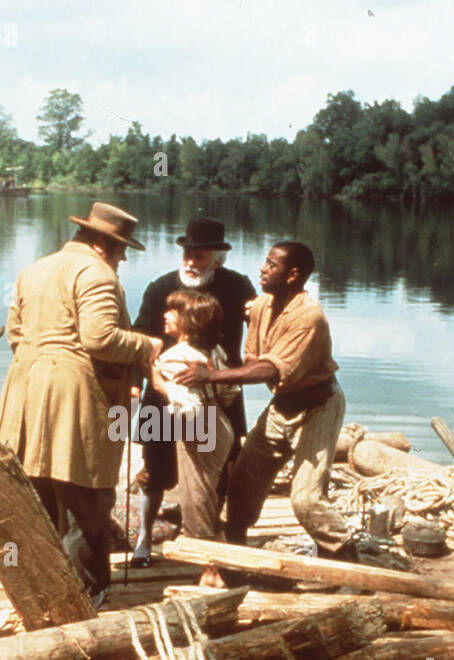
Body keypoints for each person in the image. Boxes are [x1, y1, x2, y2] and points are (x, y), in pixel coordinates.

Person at [0, 202, 162, 605]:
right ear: (104, 244)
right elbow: (100, 338)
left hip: (25, 393)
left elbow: (16, 335)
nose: (122, 261)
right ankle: (87, 594)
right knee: (87, 496)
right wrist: (147, 344)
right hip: (76, 399)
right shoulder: (97, 274)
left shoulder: (34, 269)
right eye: (122, 251)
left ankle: (40, 587)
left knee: (37, 491)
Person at [174, 241, 362, 561]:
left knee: (307, 499)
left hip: (318, 407)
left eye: (271, 265)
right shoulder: (262, 306)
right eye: (265, 262)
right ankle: (235, 555)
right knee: (243, 483)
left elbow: (267, 369)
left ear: (292, 275)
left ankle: (347, 560)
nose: (263, 269)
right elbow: (252, 359)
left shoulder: (309, 317)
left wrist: (211, 377)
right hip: (283, 406)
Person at [130, 218, 257, 566]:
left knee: (218, 470)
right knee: (154, 468)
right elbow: (141, 334)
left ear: (217, 259)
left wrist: (254, 360)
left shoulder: (237, 287)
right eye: (187, 253)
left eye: (199, 257)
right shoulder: (161, 288)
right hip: (163, 391)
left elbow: (260, 321)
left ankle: (213, 541)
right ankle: (144, 537)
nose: (190, 262)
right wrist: (139, 378)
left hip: (218, 391)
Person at [145, 289, 236, 588]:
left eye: (174, 311)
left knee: (196, 499)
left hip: (199, 429)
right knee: (208, 497)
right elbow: (231, 391)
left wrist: (158, 383)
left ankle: (212, 573)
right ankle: (219, 566)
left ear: (191, 322)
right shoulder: (215, 351)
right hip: (219, 424)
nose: (166, 315)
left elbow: (188, 408)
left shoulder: (175, 358)